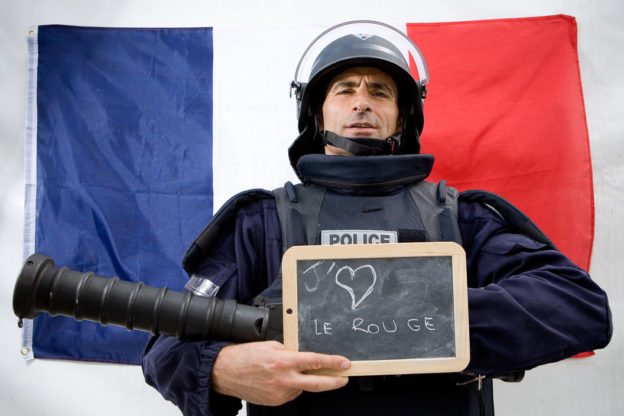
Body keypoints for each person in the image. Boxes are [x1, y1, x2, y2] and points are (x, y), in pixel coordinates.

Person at [141, 21, 612, 416]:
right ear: (316, 112)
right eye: (345, 89)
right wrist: (224, 369)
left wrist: (419, 319)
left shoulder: (461, 217)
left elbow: (578, 305)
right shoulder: (261, 221)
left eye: (380, 92)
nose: (361, 102)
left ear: (402, 117)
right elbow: (164, 351)